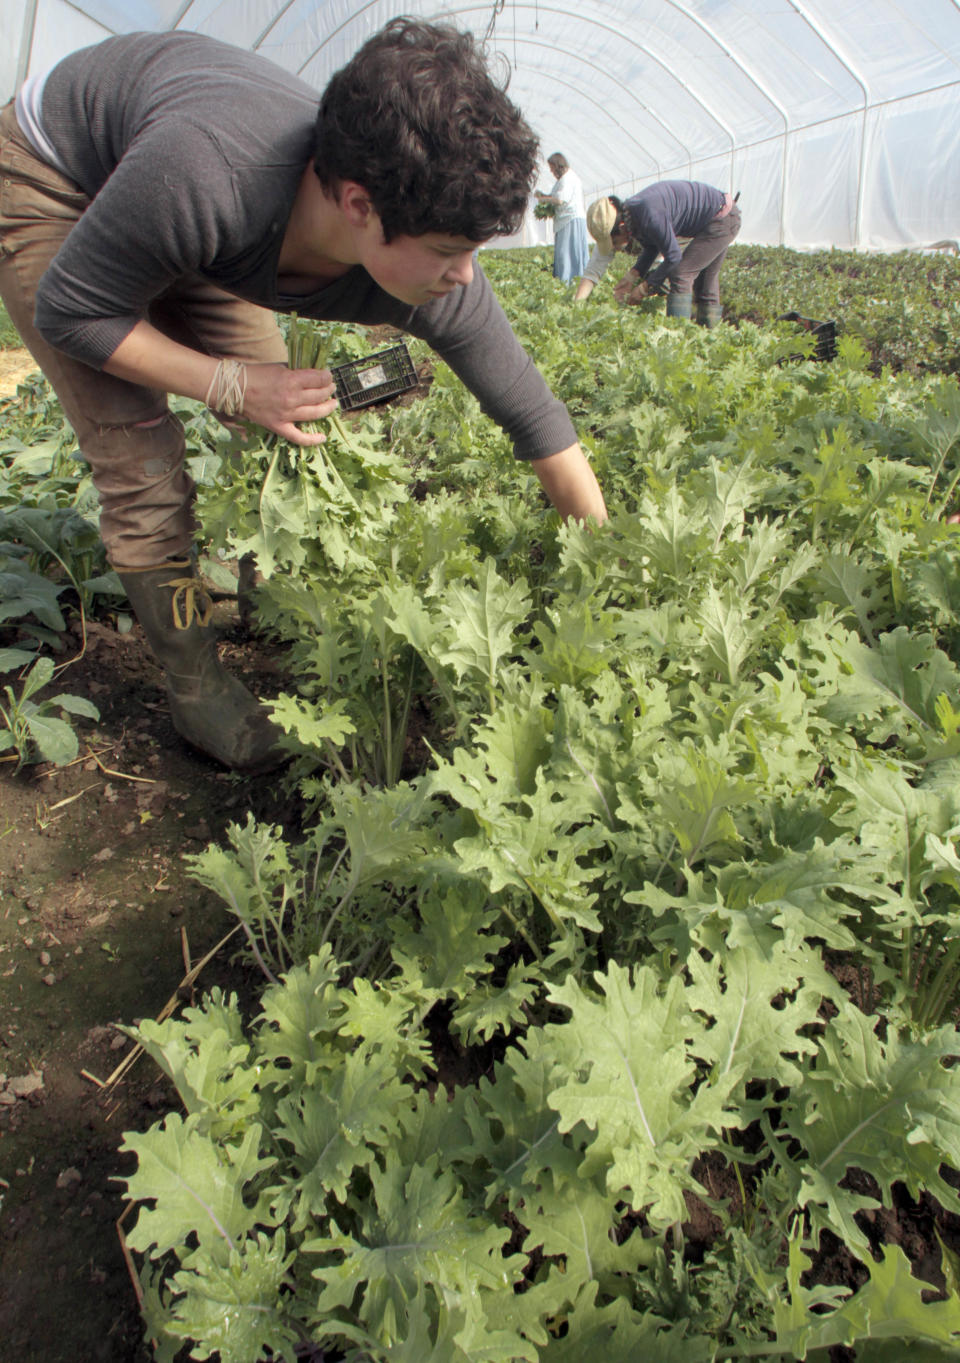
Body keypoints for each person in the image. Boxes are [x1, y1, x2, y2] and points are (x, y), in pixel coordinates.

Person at [0, 20, 607, 774]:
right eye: (452, 252)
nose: (466, 278)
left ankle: (266, 591)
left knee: (280, 418)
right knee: (140, 454)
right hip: (60, 176)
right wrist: (226, 383)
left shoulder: (433, 266)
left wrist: (604, 570)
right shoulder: (209, 175)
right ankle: (195, 684)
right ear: (358, 206)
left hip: (188, 206)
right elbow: (72, 311)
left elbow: (534, 416)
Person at [574, 180, 741, 325]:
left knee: (681, 274)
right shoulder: (633, 213)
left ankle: (678, 342)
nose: (615, 248)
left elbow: (673, 256)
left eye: (614, 242)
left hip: (721, 220)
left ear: (622, 227)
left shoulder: (649, 214)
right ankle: (709, 340)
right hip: (719, 216)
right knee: (705, 283)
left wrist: (645, 288)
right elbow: (653, 246)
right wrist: (633, 275)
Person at [534, 153, 590, 282]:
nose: (551, 171)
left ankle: (569, 281)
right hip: (566, 220)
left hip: (570, 220)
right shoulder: (563, 180)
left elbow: (559, 200)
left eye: (552, 168)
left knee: (567, 253)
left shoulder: (568, 178)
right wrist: (544, 196)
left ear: (559, 165)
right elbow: (555, 196)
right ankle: (567, 280)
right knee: (564, 253)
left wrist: (543, 199)